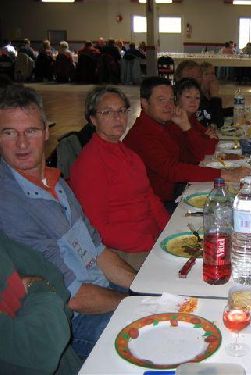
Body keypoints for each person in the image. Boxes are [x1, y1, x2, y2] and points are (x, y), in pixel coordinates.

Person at [0, 84, 137, 360]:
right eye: (9, 133)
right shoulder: (9, 204)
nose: (22, 144)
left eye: (31, 131)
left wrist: (142, 289)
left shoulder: (57, 183)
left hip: (101, 293)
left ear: (47, 132)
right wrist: (133, 304)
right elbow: (71, 295)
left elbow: (98, 250)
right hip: (73, 320)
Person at [70, 87, 170, 270]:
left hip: (150, 240)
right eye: (107, 112)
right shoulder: (90, 163)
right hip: (123, 252)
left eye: (121, 111)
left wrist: (170, 233)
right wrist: (151, 243)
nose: (117, 117)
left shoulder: (128, 155)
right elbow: (96, 228)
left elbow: (150, 199)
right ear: (93, 119)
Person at [123, 77, 250, 212]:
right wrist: (226, 174)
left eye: (170, 100)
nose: (168, 106)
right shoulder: (143, 134)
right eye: (161, 100)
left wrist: (187, 127)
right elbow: (173, 170)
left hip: (172, 191)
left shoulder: (161, 124)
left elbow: (196, 155)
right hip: (158, 204)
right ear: (144, 103)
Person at [0, 232, 82, 374]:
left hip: (70, 359)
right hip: (67, 334)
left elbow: (55, 279)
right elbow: (40, 349)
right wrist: (37, 285)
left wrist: (57, 314)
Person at [176, 60, 224, 128]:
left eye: (198, 77)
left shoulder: (200, 96)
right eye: (190, 78)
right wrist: (215, 96)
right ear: (179, 79)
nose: (194, 81)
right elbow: (217, 122)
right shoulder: (179, 102)